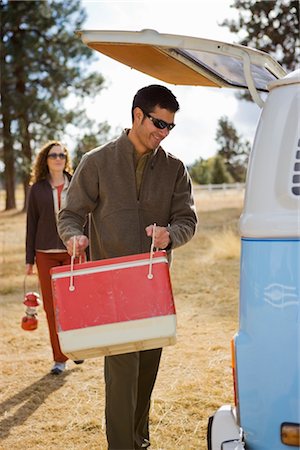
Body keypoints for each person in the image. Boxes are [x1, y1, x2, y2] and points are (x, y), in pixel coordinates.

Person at [58, 85, 198, 449]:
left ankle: (139, 440)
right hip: (111, 287)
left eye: (169, 126)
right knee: (122, 372)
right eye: (157, 123)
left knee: (147, 368)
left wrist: (170, 235)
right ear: (137, 115)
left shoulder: (175, 169)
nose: (162, 132)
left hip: (153, 288)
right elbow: (71, 215)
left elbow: (187, 220)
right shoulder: (97, 161)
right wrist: (74, 238)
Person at [25, 140, 84, 375]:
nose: (58, 158)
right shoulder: (37, 189)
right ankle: (59, 358)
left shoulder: (77, 184)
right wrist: (29, 259)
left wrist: (85, 248)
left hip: (74, 253)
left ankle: (76, 349)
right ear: (45, 160)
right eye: (53, 155)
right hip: (45, 254)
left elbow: (85, 216)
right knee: (51, 309)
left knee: (75, 305)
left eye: (62, 154)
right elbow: (32, 224)